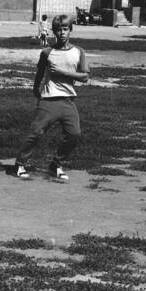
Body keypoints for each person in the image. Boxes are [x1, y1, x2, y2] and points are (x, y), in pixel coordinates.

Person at [14, 14, 90, 181]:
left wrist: (63, 73)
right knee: (36, 133)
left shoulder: (79, 52)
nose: (62, 33)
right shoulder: (47, 52)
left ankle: (56, 164)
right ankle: (20, 163)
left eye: (65, 29)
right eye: (58, 30)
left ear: (70, 30)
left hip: (68, 100)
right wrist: (35, 89)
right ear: (54, 32)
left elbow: (84, 77)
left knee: (74, 134)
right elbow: (40, 72)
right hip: (49, 99)